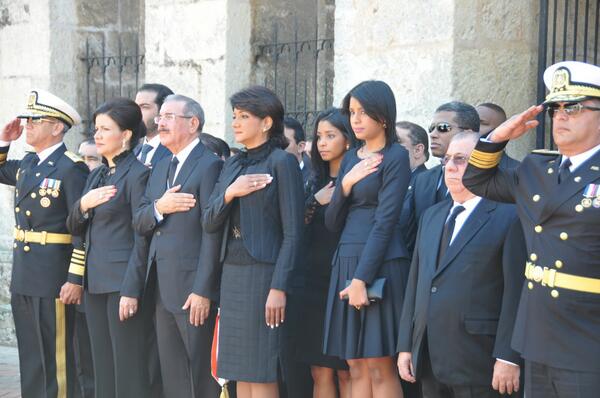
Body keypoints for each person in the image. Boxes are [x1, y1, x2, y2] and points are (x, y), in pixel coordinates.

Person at [463, 60, 600, 397]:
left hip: (588, 339)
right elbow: (477, 179)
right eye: (556, 108)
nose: (562, 116)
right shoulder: (537, 168)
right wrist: (497, 137)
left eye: (575, 107)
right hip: (538, 334)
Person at [397, 132, 525, 398]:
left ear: (486, 164)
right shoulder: (432, 216)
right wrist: (407, 345)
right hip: (431, 358)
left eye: (461, 159)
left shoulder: (510, 215)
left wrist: (508, 357)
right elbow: (416, 283)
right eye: (446, 160)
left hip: (481, 361)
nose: (450, 167)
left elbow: (516, 293)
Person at [202, 86, 304, 398]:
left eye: (244, 116)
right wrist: (232, 191)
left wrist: (279, 287)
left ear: (267, 122)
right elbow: (209, 220)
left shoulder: (281, 163)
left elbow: (293, 233)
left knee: (261, 372)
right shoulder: (233, 164)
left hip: (264, 277)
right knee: (238, 375)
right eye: (234, 116)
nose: (235, 123)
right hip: (231, 277)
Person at [131, 94, 222, 397]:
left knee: (199, 372)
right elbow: (141, 220)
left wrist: (203, 290)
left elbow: (213, 232)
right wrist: (161, 206)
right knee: (173, 373)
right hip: (160, 286)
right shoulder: (161, 166)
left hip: (191, 288)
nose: (161, 122)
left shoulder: (209, 165)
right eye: (160, 117)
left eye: (170, 116)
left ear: (193, 123)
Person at [323, 80, 411, 398]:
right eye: (352, 112)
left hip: (380, 264)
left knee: (379, 365)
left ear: (383, 117)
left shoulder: (396, 156)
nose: (355, 119)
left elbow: (386, 223)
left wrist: (362, 278)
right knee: (354, 364)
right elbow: (332, 222)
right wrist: (344, 185)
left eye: (363, 112)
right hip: (345, 258)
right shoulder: (350, 158)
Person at [0, 89, 89, 397]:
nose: (28, 125)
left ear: (56, 127)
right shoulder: (28, 163)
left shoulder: (71, 167)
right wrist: (4, 142)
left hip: (54, 275)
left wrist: (75, 278)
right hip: (25, 275)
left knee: (56, 357)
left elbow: (81, 226)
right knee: (32, 355)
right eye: (27, 119)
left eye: (35, 120)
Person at [66, 98, 150, 397]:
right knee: (100, 363)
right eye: (96, 129)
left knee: (126, 365)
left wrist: (131, 288)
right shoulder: (98, 173)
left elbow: (142, 236)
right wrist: (84, 205)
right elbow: (73, 225)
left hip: (121, 284)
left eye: (105, 129)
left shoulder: (139, 173)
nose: (97, 135)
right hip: (94, 281)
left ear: (126, 134)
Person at [293, 107, 357, 398]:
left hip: (344, 278)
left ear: (348, 139)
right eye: (319, 136)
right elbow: (295, 232)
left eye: (330, 135)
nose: (322, 142)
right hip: (311, 282)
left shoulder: (358, 177)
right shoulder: (312, 179)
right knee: (318, 370)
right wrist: (313, 202)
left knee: (346, 370)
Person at [405, 102, 480, 253]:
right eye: (431, 129)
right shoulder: (422, 180)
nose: (432, 134)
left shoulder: (490, 180)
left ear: (467, 133)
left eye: (443, 128)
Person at [134, 83, 173, 167]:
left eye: (144, 107)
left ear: (164, 111)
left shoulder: (175, 152)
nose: (136, 112)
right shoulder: (133, 151)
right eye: (135, 107)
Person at [476, 103, 519, 169]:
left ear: (502, 131)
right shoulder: (458, 166)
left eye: (482, 123)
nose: (472, 127)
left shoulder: (517, 171)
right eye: (471, 122)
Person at [284, 116, 312, 184]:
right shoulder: (267, 177)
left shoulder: (313, 180)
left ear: (301, 147)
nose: (278, 147)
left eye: (284, 142)